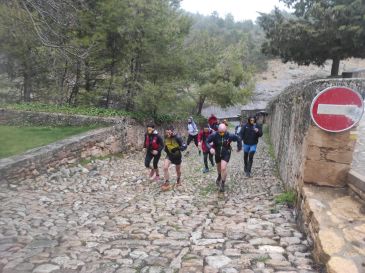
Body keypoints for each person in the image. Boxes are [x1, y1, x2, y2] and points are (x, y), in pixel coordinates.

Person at [205, 123, 242, 192]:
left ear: (226, 130)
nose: (221, 133)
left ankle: (223, 183)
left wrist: (239, 147)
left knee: (223, 168)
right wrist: (210, 148)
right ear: (218, 130)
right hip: (217, 153)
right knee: (219, 167)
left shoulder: (229, 135)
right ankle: (219, 176)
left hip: (226, 153)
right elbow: (206, 141)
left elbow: (238, 138)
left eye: (223, 132)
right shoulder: (214, 135)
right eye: (220, 132)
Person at [162, 126, 187, 190]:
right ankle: (167, 182)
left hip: (177, 156)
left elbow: (184, 145)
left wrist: (178, 148)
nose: (168, 134)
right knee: (165, 167)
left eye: (169, 132)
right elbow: (165, 144)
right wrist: (165, 149)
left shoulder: (177, 137)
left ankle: (178, 179)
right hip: (169, 155)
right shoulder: (165, 137)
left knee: (178, 170)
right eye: (166, 133)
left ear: (172, 131)